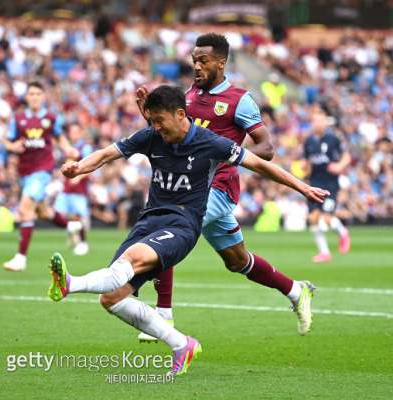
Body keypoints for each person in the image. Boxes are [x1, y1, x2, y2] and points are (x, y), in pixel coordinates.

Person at [47, 85, 329, 376]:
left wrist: (303, 188)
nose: (155, 127)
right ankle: (182, 344)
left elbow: (261, 164)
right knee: (112, 298)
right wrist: (79, 168)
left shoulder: (212, 143)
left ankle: (70, 283)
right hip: (149, 220)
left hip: (182, 225)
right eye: (152, 121)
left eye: (159, 121)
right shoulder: (152, 136)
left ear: (180, 114)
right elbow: (107, 154)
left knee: (129, 262)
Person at [135, 33, 315, 342]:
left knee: (167, 228)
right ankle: (296, 290)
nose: (197, 67)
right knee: (237, 261)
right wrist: (151, 118)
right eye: (194, 61)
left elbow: (267, 148)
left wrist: (226, 159)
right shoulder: (187, 98)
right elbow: (173, 136)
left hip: (218, 188)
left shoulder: (239, 100)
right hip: (193, 187)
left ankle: (163, 314)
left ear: (221, 61)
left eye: (203, 61)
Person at [2, 81, 82, 272]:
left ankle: (20, 258)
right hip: (25, 172)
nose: (35, 97)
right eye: (31, 94)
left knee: (25, 208)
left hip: (42, 170)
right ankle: (70, 226)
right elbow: (7, 140)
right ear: (27, 97)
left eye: (38, 93)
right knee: (43, 212)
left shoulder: (51, 118)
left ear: (43, 97)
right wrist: (11, 146)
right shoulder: (18, 119)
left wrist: (68, 148)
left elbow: (59, 138)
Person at [302, 110, 351, 262]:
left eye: (321, 121)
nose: (318, 124)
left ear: (326, 123)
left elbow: (347, 156)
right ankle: (324, 252)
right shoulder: (308, 141)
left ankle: (343, 232)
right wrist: (304, 167)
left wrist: (339, 166)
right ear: (313, 123)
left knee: (327, 217)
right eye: (316, 121)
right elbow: (307, 161)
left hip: (330, 183)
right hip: (314, 183)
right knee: (314, 217)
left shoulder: (333, 139)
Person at [53, 123, 93, 255]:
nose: (73, 134)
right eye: (72, 132)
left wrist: (79, 178)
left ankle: (83, 243)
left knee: (77, 216)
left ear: (81, 133)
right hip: (66, 187)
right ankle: (72, 233)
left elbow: (92, 166)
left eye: (76, 132)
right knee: (58, 213)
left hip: (79, 188)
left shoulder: (85, 148)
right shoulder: (68, 149)